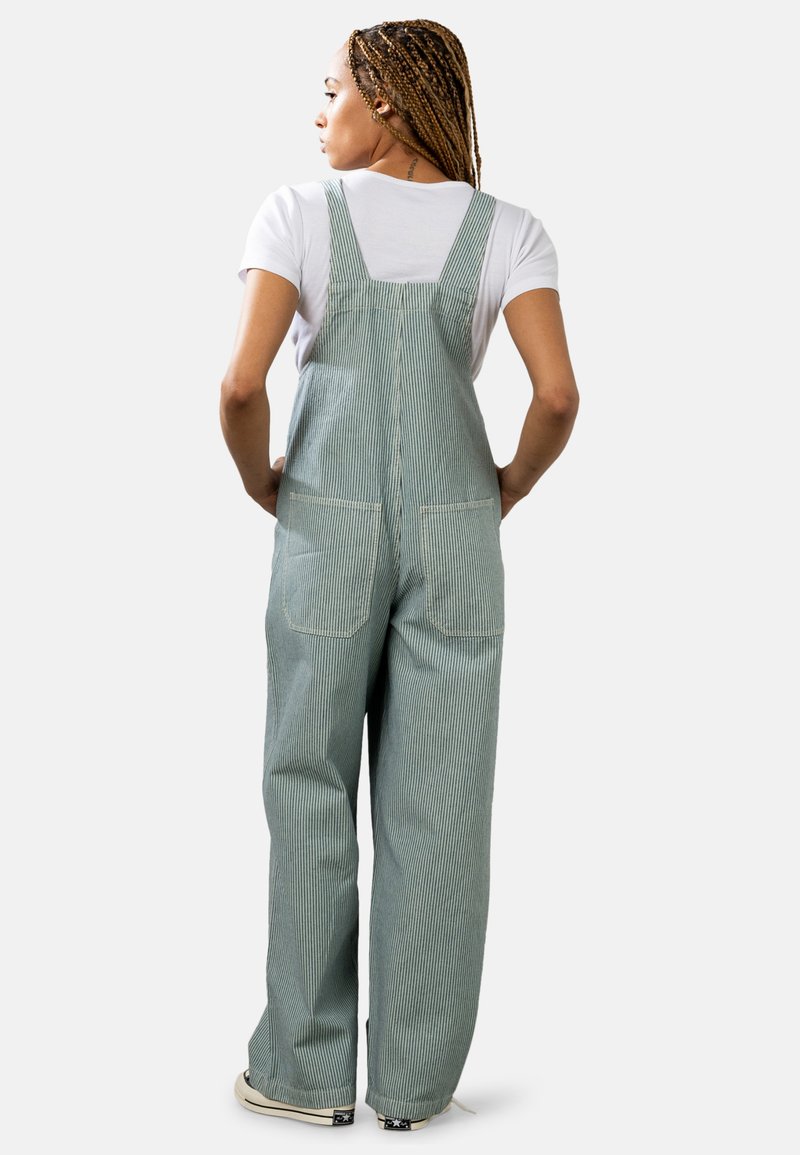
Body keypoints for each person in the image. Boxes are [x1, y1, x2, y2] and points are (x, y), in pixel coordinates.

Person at [220, 19, 579, 1131]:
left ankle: (304, 1072)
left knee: (307, 784)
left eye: (329, 88)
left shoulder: (297, 215)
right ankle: (415, 1088)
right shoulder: (508, 229)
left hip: (323, 526)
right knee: (441, 804)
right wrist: (506, 484)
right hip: (457, 530)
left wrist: (258, 479)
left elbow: (240, 388)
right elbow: (557, 396)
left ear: (383, 98)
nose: (317, 110)